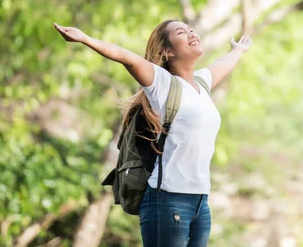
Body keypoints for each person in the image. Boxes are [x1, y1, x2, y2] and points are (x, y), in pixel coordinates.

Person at [53, 19, 253, 247]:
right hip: (168, 200)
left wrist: (238, 50)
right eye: (181, 32)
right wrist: (86, 39)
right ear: (167, 51)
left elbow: (224, 64)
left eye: (191, 29)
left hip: (200, 202)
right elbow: (125, 57)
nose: (190, 33)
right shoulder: (162, 83)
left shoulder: (202, 84)